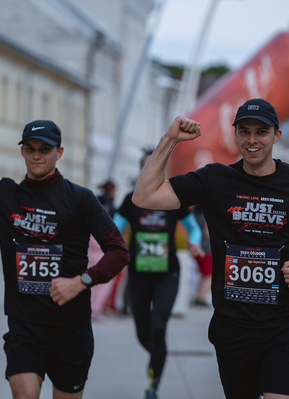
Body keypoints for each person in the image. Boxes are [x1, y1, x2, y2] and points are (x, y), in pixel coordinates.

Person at [132, 98, 289, 399]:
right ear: (235, 134)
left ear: (276, 135)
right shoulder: (214, 179)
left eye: (261, 132)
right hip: (233, 327)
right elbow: (144, 197)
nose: (252, 140)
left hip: (286, 325)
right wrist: (170, 140)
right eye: (244, 131)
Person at [0, 94, 129, 399]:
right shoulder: (3, 195)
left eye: (45, 150)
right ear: (22, 151)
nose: (37, 156)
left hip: (71, 327)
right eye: (30, 149)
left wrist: (82, 281)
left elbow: (119, 251)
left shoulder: (80, 199)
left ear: (59, 152)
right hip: (25, 326)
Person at [114, 149, 203, 399]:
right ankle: (157, 358)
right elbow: (114, 227)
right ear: (141, 171)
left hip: (167, 275)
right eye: (147, 167)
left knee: (158, 327)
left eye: (158, 166)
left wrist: (195, 241)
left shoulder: (173, 198)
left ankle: (153, 386)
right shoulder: (131, 199)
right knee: (143, 333)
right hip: (139, 274)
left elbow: (194, 228)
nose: (152, 172)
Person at [192, 204, 212, 306]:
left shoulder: (194, 215)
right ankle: (201, 298)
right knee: (208, 275)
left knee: (204, 275)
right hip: (206, 249)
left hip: (197, 247)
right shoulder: (206, 216)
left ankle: (199, 297)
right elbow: (208, 233)